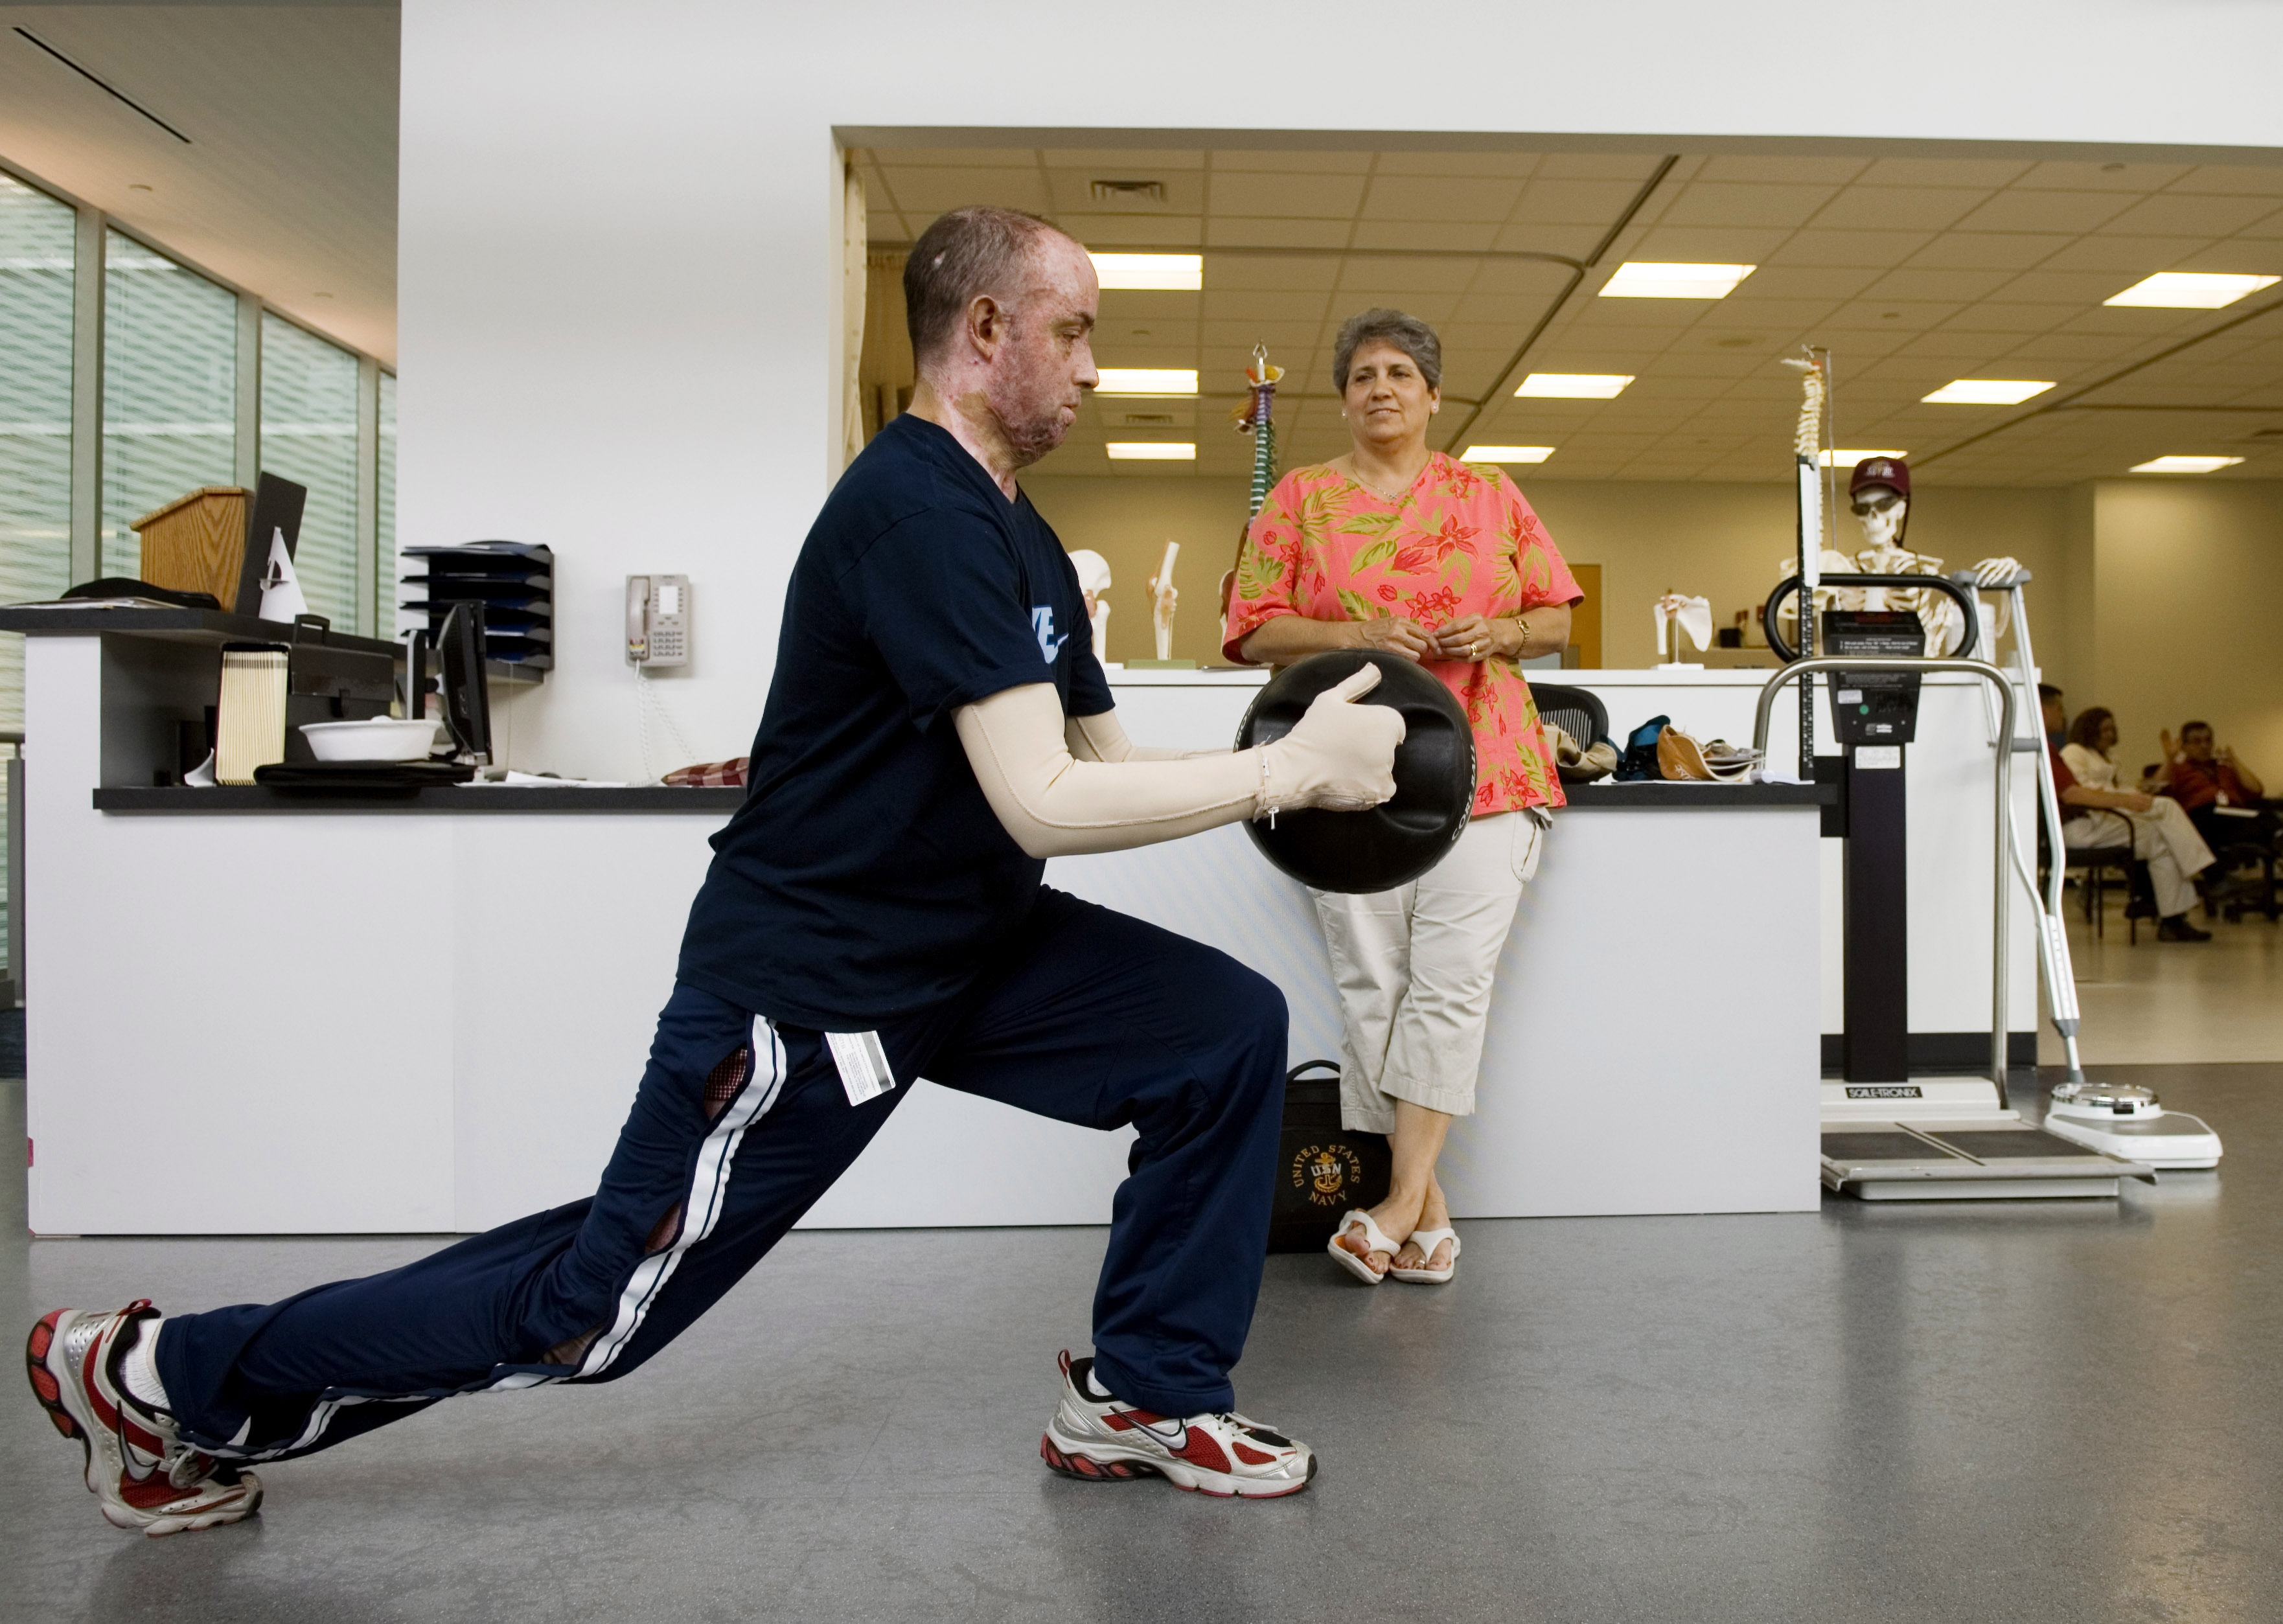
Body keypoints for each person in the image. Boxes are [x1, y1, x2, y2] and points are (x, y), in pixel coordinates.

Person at [25, 207, 1412, 1535]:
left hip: (968, 946)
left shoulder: (1019, 532)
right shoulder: (917, 513)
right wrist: (1290, 771)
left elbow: (1096, 755)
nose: (1095, 367)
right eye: (1075, 330)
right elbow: (1044, 802)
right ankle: (158, 1376)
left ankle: (1146, 1396)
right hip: (814, 984)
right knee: (593, 1302)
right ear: (986, 326)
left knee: (1218, 1030)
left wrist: (1299, 767)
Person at [1224, 308, 1581, 1288]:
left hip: (1491, 772)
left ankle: (1388, 1204)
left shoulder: (1491, 494)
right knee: (1373, 986)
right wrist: (1355, 630)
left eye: (1399, 373)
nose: (1380, 387)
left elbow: (1554, 612)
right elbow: (1253, 633)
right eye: (1361, 375)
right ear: (1343, 399)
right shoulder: (1299, 500)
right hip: (1343, 781)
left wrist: (1502, 630)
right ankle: (1426, 1212)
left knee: (1450, 984)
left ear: (1432, 395)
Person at [2059, 707, 2215, 941]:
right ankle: (2212, 874)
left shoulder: (2112, 758)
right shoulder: (2075, 752)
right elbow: (2080, 790)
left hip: (2110, 819)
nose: (2111, 734)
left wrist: (2139, 792)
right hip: (2083, 824)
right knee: (2167, 808)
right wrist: (2125, 797)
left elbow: (2125, 789)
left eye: (2113, 729)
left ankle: (2173, 919)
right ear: (2090, 729)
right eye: (2106, 729)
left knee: (2162, 839)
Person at [2157, 720, 2271, 853]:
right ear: (2184, 746)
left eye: (2208, 741)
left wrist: (2235, 761)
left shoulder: (2225, 767)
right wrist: (2170, 759)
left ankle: (2276, 840)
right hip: (2203, 816)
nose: (2204, 746)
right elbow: (2157, 790)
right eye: (2197, 742)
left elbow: (2257, 790)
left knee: (2267, 818)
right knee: (2211, 821)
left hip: (2233, 813)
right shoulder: (2178, 768)